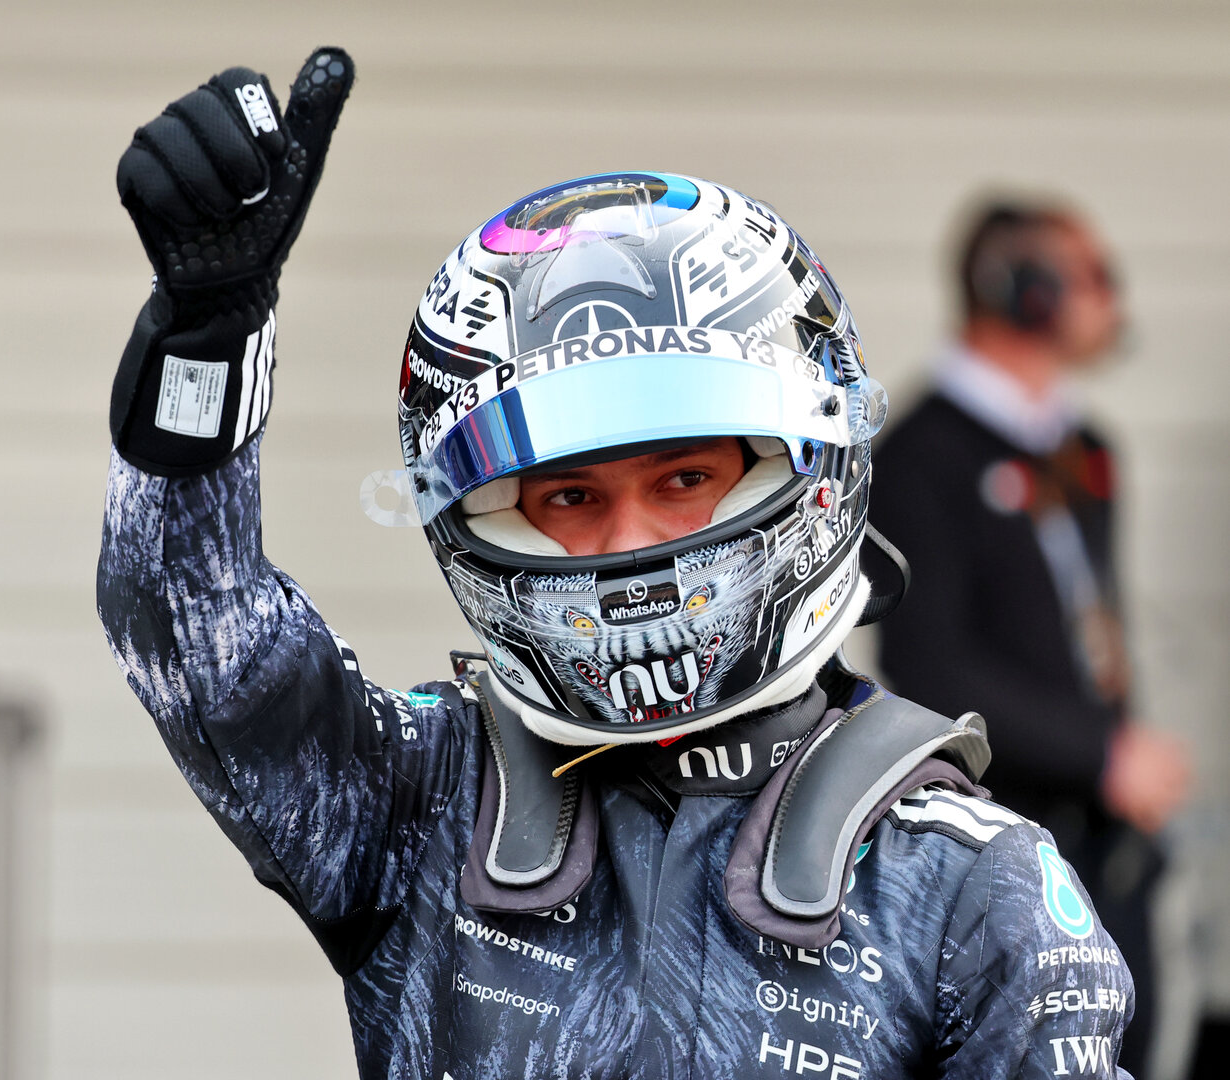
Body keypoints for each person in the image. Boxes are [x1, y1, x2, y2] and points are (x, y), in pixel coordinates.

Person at [98, 49, 1135, 1078]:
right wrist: (204, 343)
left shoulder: (972, 885)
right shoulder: (420, 802)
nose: (629, 542)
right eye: (570, 499)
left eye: (683, 479)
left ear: (811, 472)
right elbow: (202, 647)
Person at [871, 201, 1192, 1076]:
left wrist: (1118, 752)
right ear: (1026, 291)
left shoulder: (1085, 448)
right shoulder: (919, 459)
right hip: (1004, 832)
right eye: (1094, 277)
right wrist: (1101, 755)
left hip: (1106, 837)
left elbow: (1091, 631)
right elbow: (926, 666)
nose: (1112, 302)